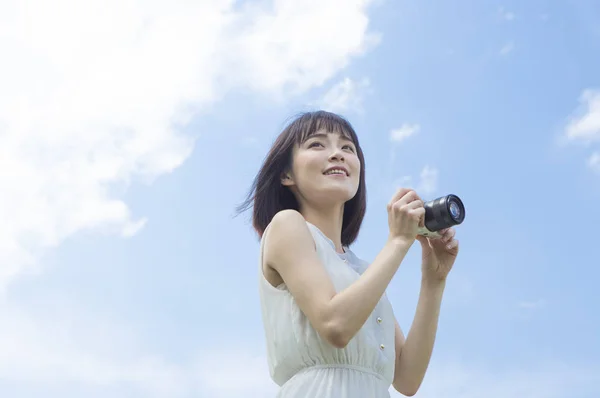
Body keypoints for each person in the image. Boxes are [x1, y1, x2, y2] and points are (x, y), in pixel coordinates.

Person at [236, 111, 459, 397]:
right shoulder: (286, 225)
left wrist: (434, 280)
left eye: (347, 148)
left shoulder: (363, 271)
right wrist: (398, 242)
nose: (337, 154)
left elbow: (407, 378)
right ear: (286, 174)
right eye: (317, 144)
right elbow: (335, 325)